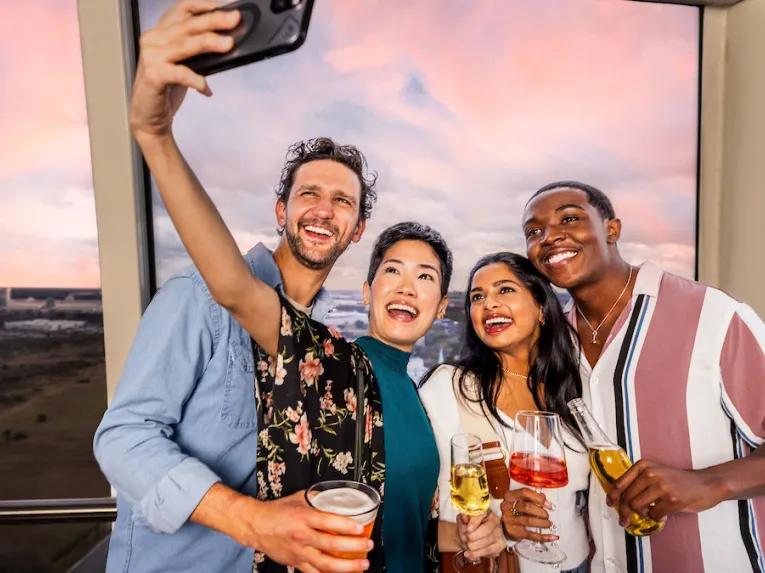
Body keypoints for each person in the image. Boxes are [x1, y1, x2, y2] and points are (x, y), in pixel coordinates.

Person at [94, 3, 378, 572]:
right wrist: (251, 521)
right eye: (308, 194)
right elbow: (122, 438)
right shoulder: (199, 294)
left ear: (358, 229)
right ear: (281, 209)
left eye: (342, 200)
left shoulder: (324, 348)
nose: (324, 210)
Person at [523, 180, 765, 572]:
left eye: (569, 218)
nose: (550, 237)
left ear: (612, 229)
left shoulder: (713, 315)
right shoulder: (552, 345)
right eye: (534, 232)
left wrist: (710, 483)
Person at [420, 252, 591, 573]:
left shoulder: (574, 387)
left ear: (541, 307)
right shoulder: (448, 387)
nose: (489, 304)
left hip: (577, 563)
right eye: (477, 296)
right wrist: (495, 524)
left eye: (505, 290)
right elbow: (417, 503)